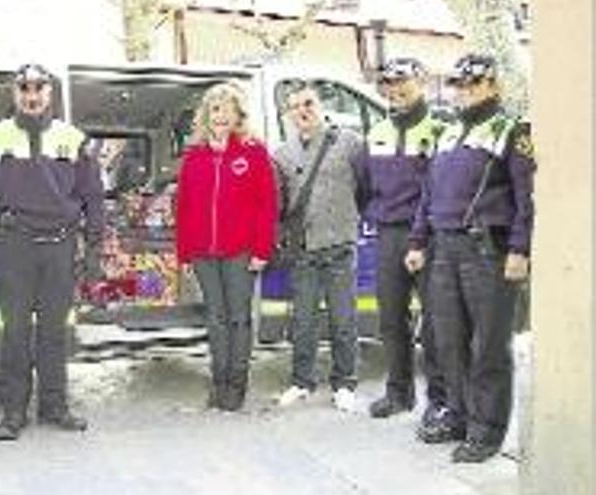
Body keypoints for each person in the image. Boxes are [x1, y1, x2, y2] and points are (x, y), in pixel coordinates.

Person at [405, 54, 535, 463]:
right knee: (449, 343)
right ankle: (459, 416)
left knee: (488, 347)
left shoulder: (512, 130)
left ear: (493, 86)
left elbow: (526, 196)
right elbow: (428, 193)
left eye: (473, 84)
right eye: (459, 84)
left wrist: (519, 249)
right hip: (444, 248)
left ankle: (487, 430)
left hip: (488, 250)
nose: (465, 91)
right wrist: (417, 240)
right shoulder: (446, 130)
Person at [0, 63, 104, 440]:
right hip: (14, 248)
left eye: (39, 89)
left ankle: (54, 406)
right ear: (15, 94)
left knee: (52, 333)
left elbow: (92, 197)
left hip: (60, 248)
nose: (32, 96)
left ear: (50, 94)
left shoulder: (72, 138)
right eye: (24, 89)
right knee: (15, 334)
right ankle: (14, 413)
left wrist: (93, 250)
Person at [354, 58, 447, 422]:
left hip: (429, 235)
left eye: (403, 82)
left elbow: (447, 186)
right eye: (389, 84)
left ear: (420, 82)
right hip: (389, 234)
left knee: (437, 321)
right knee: (391, 319)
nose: (395, 90)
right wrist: (377, 216)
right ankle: (399, 394)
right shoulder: (376, 131)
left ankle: (439, 399)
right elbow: (363, 187)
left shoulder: (440, 129)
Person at [175, 82, 277, 411]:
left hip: (241, 250)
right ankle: (218, 381)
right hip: (204, 252)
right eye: (215, 109)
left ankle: (237, 384)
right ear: (206, 116)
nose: (221, 116)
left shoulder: (253, 152)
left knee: (238, 318)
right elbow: (185, 208)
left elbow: (267, 204)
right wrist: (185, 253)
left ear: (238, 115)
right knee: (215, 318)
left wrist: (263, 249)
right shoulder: (194, 157)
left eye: (227, 109)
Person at [273, 82, 363, 412]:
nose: (303, 111)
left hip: (340, 244)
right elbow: (280, 204)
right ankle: (302, 381)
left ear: (320, 105)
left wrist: (349, 221)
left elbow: (365, 187)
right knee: (304, 322)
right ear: (289, 115)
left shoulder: (350, 143)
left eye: (308, 103)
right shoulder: (281, 154)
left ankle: (345, 384)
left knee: (343, 320)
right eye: (295, 106)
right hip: (304, 251)